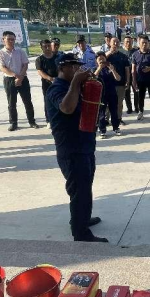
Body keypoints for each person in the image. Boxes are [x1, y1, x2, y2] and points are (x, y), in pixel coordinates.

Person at [46, 54, 107, 243]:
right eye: (73, 66)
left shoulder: (75, 85)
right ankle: (80, 232)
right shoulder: (56, 88)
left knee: (86, 186)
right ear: (61, 68)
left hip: (85, 144)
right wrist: (76, 83)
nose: (77, 70)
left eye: (78, 66)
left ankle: (82, 218)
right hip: (71, 148)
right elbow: (66, 108)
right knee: (79, 191)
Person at [0, 31, 39, 132]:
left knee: (27, 101)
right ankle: (13, 123)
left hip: (23, 78)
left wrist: (20, 78)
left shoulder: (20, 51)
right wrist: (15, 76)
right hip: (9, 79)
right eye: (9, 39)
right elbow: (2, 67)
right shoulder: (0, 53)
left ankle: (32, 121)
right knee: (11, 103)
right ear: (3, 40)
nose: (11, 41)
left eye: (13, 39)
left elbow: (25, 64)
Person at [131, 35, 150, 122]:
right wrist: (134, 81)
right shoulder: (135, 54)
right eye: (142, 43)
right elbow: (133, 69)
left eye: (146, 43)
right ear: (139, 43)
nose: (144, 44)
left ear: (148, 43)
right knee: (140, 97)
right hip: (140, 80)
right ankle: (140, 112)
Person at [106, 38, 132, 127]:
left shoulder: (123, 56)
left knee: (119, 103)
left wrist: (128, 81)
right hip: (108, 83)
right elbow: (100, 62)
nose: (116, 43)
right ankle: (106, 119)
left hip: (120, 83)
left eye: (117, 42)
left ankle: (118, 118)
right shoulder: (106, 55)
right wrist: (110, 52)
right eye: (114, 42)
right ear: (110, 43)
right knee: (108, 103)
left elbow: (127, 70)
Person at [95, 52, 122, 138]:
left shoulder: (110, 67)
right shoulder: (95, 69)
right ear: (96, 61)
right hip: (101, 94)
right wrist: (99, 68)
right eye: (99, 59)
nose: (101, 60)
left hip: (112, 92)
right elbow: (93, 78)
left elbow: (118, 78)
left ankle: (116, 127)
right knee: (101, 113)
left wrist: (113, 70)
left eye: (103, 58)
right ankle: (102, 130)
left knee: (114, 111)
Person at [35, 39, 59, 128]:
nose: (48, 48)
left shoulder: (57, 57)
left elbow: (61, 68)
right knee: (48, 101)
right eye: (45, 46)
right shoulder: (39, 59)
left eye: (49, 46)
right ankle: (49, 120)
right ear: (42, 48)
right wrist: (50, 78)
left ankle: (59, 118)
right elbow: (40, 71)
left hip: (58, 82)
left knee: (59, 99)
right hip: (47, 83)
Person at [121, 35, 139, 115]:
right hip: (125, 75)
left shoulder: (136, 51)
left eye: (130, 41)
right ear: (124, 43)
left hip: (135, 75)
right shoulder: (121, 52)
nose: (128, 43)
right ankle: (129, 108)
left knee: (136, 92)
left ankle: (137, 107)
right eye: (126, 42)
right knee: (126, 93)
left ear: (132, 42)